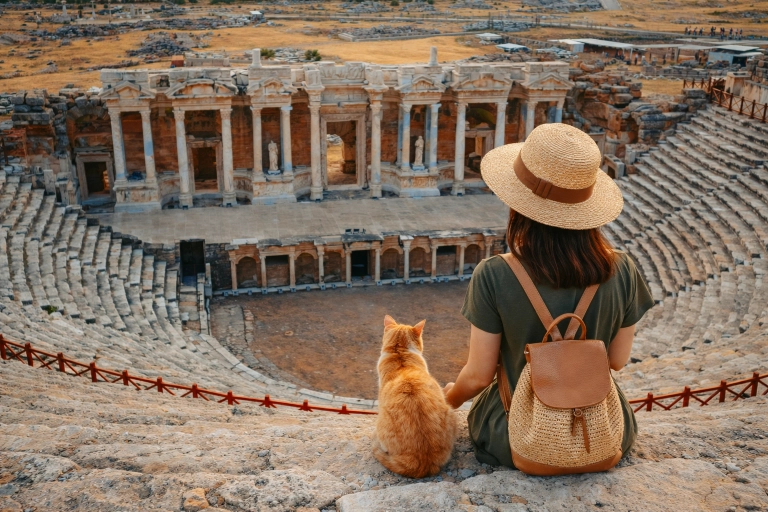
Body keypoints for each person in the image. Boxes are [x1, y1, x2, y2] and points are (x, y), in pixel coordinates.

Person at [443, 123, 654, 467]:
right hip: (601, 433)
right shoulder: (624, 269)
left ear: (518, 205)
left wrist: (446, 401)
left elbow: (479, 376)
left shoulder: (494, 274)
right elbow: (616, 360)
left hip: (513, 433)